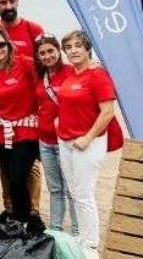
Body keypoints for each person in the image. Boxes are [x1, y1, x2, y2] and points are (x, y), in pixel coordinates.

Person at [58, 31, 121, 255]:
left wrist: (88, 137)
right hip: (66, 141)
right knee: (74, 191)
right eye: (68, 47)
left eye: (78, 46)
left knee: (84, 194)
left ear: (87, 49)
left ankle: (90, 244)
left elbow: (107, 112)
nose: (73, 50)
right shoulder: (71, 73)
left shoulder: (97, 75)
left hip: (88, 143)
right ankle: (82, 237)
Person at [0, 28, 45, 232]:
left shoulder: (25, 63)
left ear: (9, 45)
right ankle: (18, 219)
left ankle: (27, 219)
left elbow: (45, 82)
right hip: (1, 133)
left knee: (20, 177)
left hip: (26, 132)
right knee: (10, 178)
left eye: (1, 44)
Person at [33, 34, 79, 236]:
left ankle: (78, 231)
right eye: (42, 53)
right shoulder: (40, 76)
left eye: (51, 51)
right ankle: (56, 229)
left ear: (59, 51)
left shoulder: (71, 72)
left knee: (72, 189)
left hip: (66, 141)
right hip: (45, 141)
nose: (47, 56)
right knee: (55, 189)